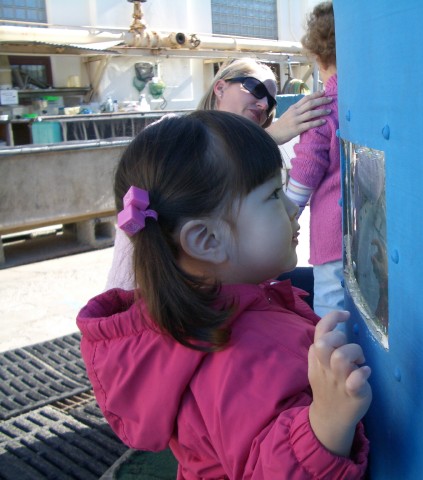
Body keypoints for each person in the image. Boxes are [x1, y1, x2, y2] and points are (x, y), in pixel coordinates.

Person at [77, 111, 372, 479]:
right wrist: (327, 420)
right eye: (273, 194)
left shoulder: (205, 317)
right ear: (207, 240)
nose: (291, 208)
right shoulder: (239, 356)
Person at [105, 57, 332, 290]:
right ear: (220, 88)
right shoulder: (170, 136)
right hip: (155, 298)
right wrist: (268, 137)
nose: (264, 104)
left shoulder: (244, 158)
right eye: (255, 88)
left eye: (271, 102)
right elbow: (193, 168)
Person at [284, 2, 343, 317]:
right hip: (375, 235)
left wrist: (286, 217)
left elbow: (303, 175)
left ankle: (326, 366)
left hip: (331, 239)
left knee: (329, 314)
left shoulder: (322, 107)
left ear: (319, 57)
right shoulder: (378, 104)